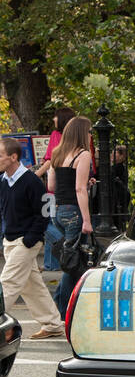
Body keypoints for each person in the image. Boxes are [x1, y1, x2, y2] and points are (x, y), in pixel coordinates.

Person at [0, 137, 64, 338]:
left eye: (0, 155)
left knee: (7, 283)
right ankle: (53, 324)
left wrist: (31, 239)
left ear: (13, 157)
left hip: (26, 242)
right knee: (31, 286)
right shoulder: (2, 181)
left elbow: (44, 213)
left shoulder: (32, 181)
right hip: (10, 241)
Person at [47, 116, 94, 314]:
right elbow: (79, 189)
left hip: (57, 210)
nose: (91, 134)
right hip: (73, 211)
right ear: (82, 133)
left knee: (69, 257)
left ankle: (61, 301)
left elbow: (51, 186)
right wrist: (87, 220)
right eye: (89, 131)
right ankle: (64, 305)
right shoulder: (83, 155)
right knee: (72, 261)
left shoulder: (57, 154)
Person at [34, 107, 75, 269]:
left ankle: (65, 247)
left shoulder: (56, 135)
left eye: (55, 117)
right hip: (70, 187)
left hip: (53, 188)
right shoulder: (76, 137)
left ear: (62, 119)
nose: (53, 120)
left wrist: (34, 175)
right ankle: (51, 264)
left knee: (46, 222)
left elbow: (50, 160)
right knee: (58, 222)